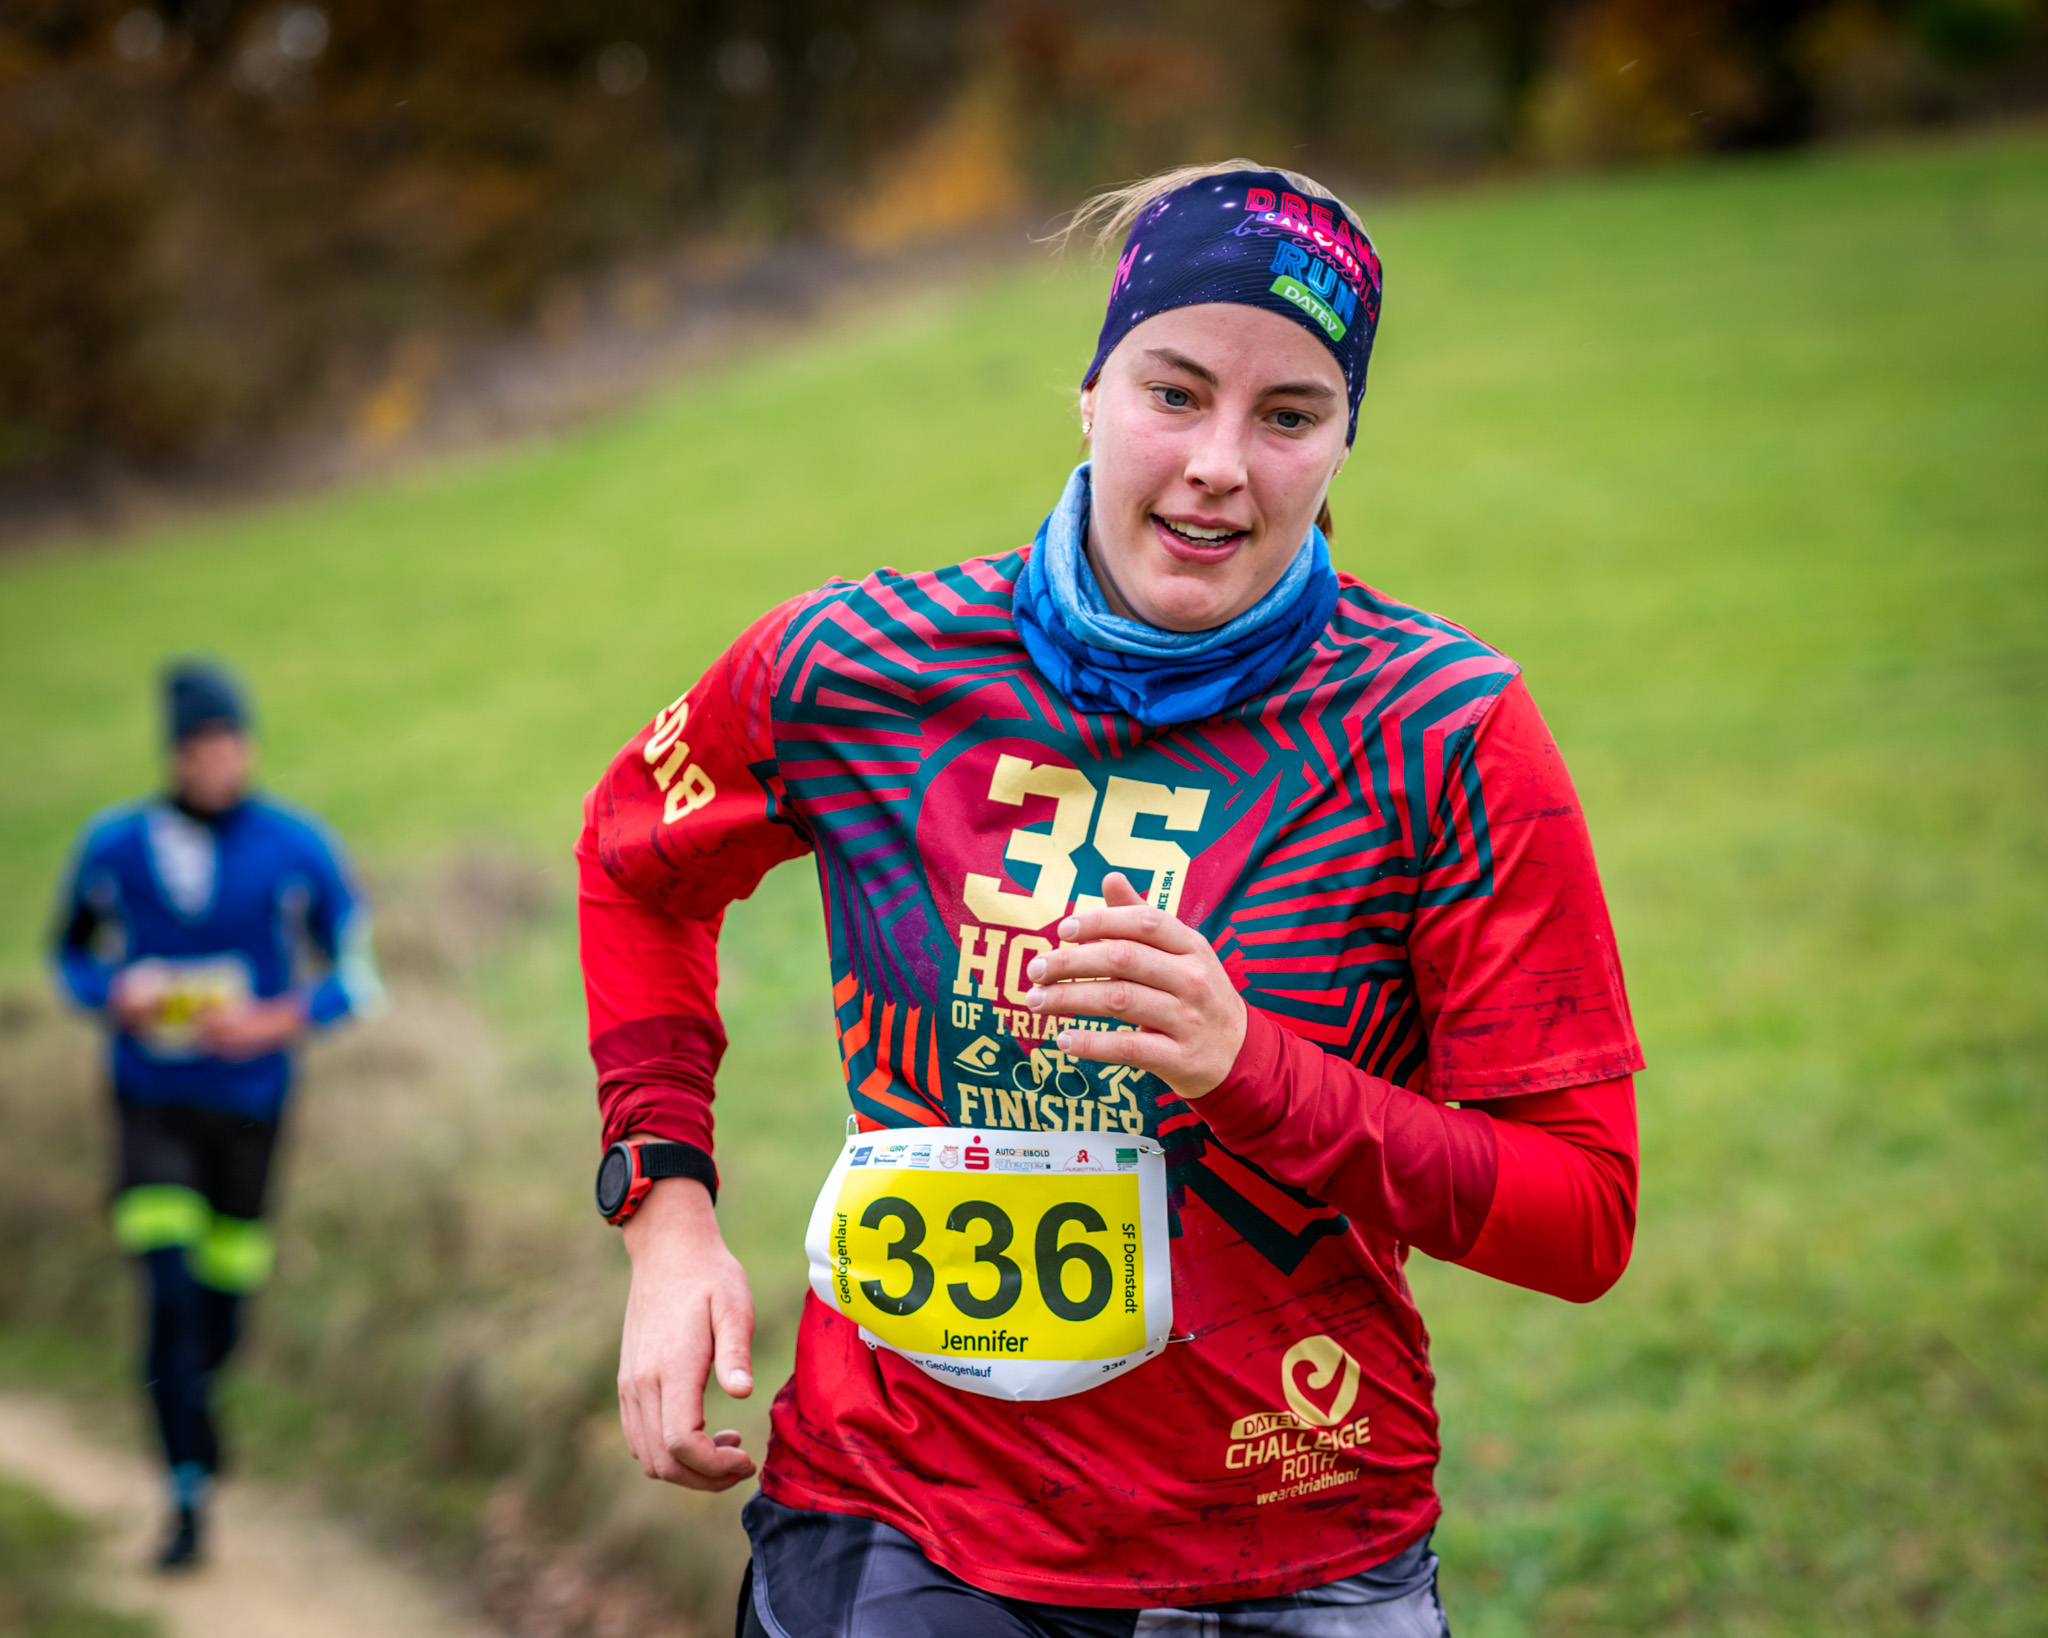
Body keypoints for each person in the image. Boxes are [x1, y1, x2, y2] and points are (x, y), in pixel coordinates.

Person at [578, 161, 1643, 1636]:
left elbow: (1581, 1219)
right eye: (1174, 392)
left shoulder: (1446, 731)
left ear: (1343, 443)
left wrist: (1248, 1069)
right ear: (1089, 395)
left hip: (1289, 1536)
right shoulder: (853, 666)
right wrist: (665, 1214)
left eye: (1288, 416)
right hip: (896, 1515)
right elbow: (633, 862)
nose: (1219, 463)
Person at [50, 659, 384, 1570]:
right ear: (173, 754)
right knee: (167, 1290)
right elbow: (68, 958)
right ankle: (187, 1491)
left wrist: (277, 1021)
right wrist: (115, 995)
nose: (213, 761)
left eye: (227, 743)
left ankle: (196, 1411)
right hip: (150, 1103)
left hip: (252, 1110)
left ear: (248, 747)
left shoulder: (298, 847)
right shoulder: (113, 845)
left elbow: (357, 978)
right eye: (196, 747)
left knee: (220, 1313)